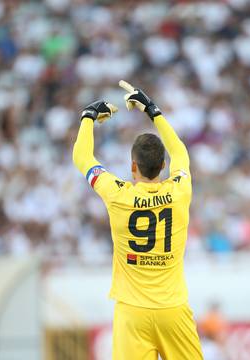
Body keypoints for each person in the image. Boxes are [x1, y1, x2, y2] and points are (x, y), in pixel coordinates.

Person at [72, 81, 203, 360]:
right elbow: (180, 152)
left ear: (133, 166)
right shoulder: (180, 189)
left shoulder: (117, 194)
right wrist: (153, 110)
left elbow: (82, 157)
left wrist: (88, 116)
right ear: (163, 165)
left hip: (132, 312)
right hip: (173, 309)